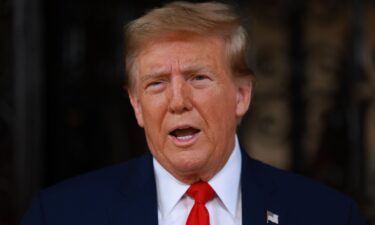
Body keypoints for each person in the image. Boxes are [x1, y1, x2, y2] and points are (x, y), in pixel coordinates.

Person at [22, 1, 364, 225]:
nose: (178, 101)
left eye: (198, 78)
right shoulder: (58, 215)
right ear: (137, 106)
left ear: (241, 96)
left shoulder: (328, 215)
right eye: (156, 84)